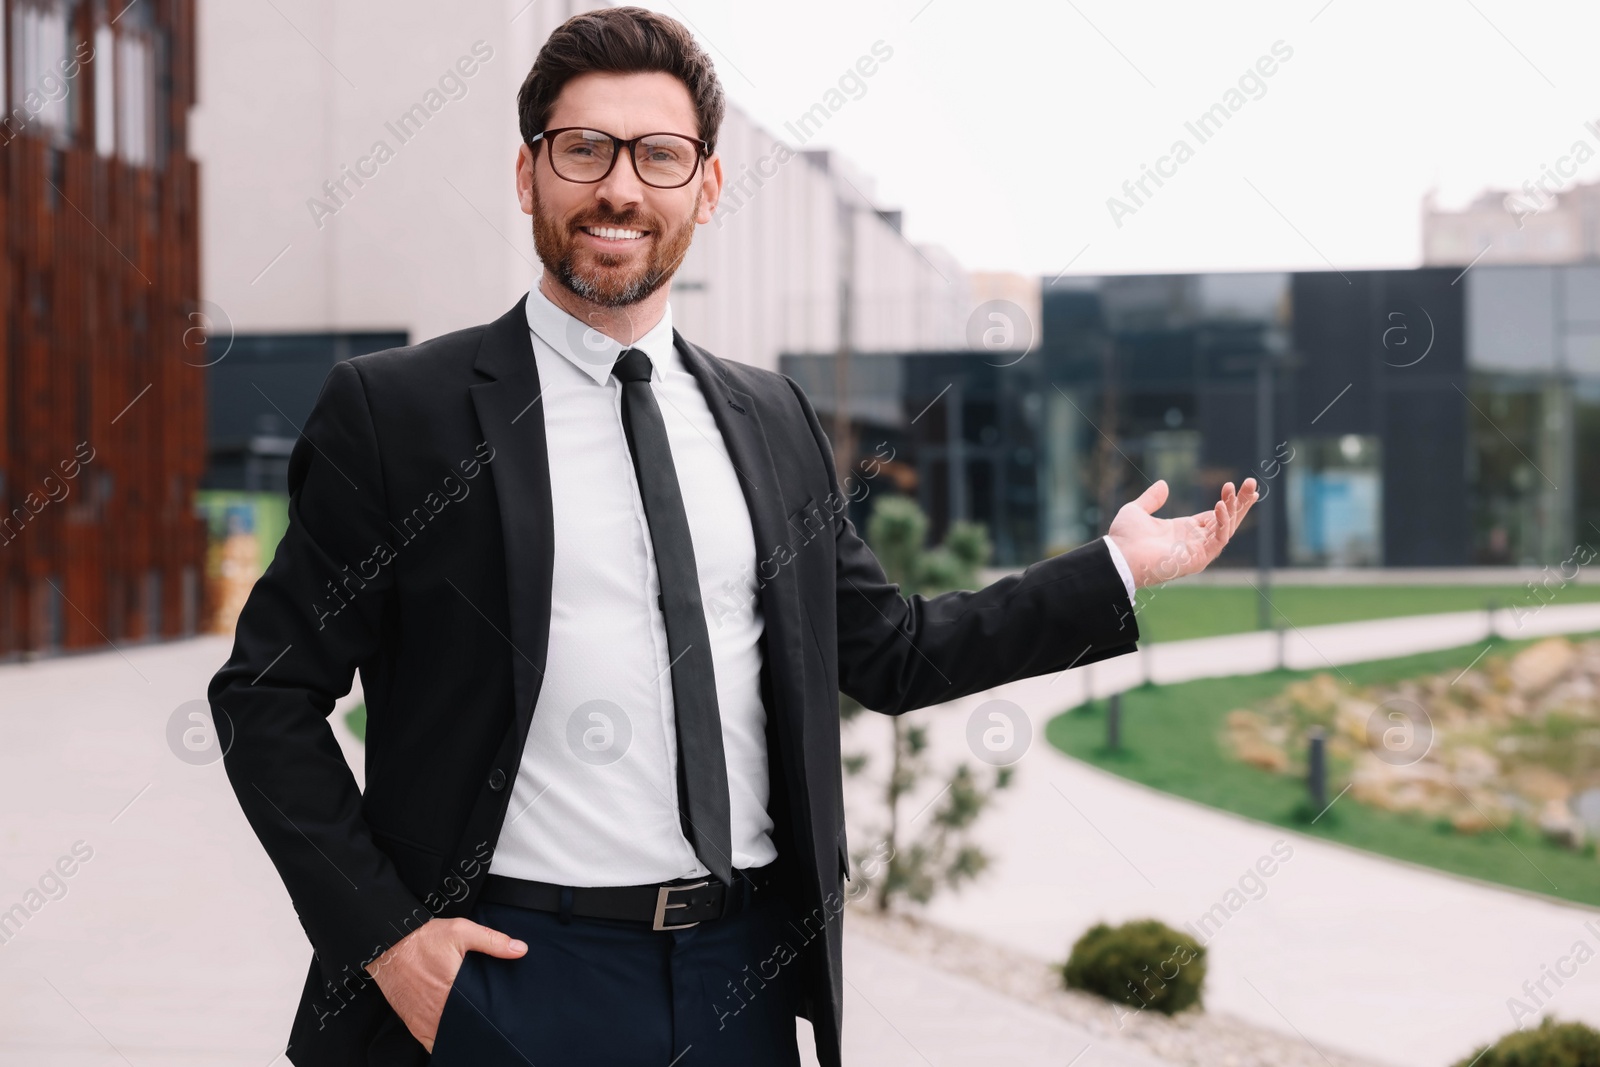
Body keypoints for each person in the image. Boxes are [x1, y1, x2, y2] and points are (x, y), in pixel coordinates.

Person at [207, 7, 1257, 1065]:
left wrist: (1115, 569)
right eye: (584, 149)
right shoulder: (400, 414)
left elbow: (887, 651)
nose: (621, 187)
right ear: (528, 175)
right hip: (508, 980)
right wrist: (389, 942)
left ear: (706, 189)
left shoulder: (773, 418)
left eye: (659, 156)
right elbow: (266, 694)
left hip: (739, 981)